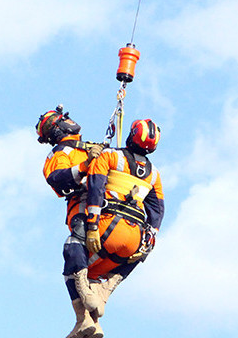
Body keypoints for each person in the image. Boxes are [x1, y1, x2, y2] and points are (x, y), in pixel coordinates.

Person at [82, 118, 165, 321]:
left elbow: (95, 188)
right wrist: (147, 245)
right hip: (133, 242)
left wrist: (92, 225)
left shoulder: (110, 156)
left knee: (76, 266)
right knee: (96, 277)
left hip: (107, 228)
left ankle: (84, 316)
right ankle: (101, 301)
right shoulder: (154, 175)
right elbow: (158, 211)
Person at [38, 105, 107, 338]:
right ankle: (87, 320)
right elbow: (57, 179)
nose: (71, 120)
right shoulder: (60, 154)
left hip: (108, 206)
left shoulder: (88, 147)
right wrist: (86, 166)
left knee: (81, 259)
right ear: (57, 127)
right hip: (84, 208)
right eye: (64, 119)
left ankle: (86, 319)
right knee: (74, 254)